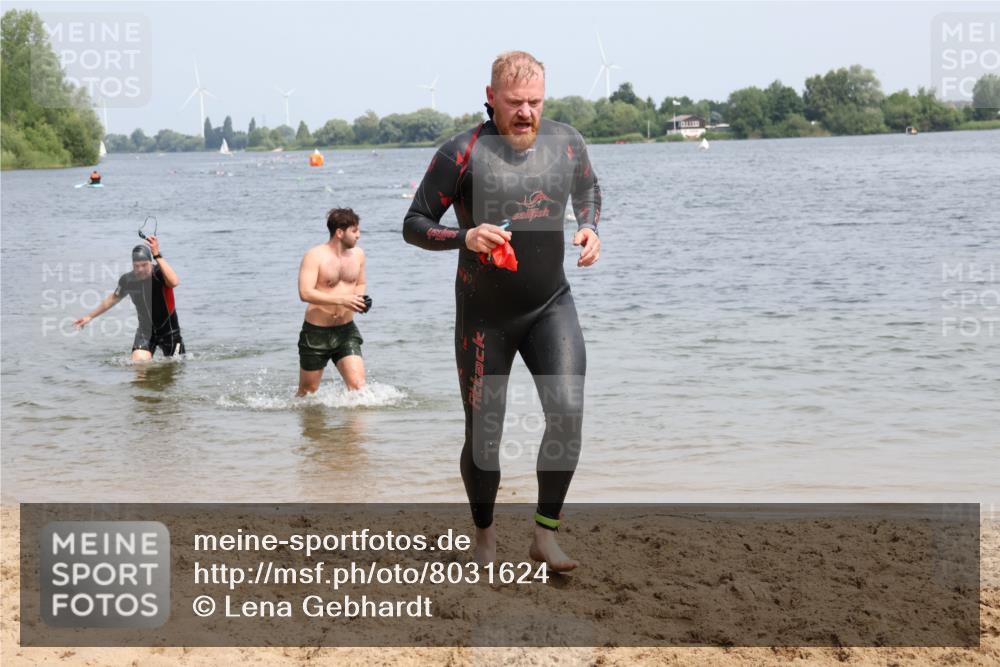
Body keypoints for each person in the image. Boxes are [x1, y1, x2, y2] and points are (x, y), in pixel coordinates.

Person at [403, 51, 601, 571]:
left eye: (535, 102)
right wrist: (463, 236)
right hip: (484, 316)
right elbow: (415, 222)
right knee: (485, 435)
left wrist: (589, 225)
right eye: (515, 103)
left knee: (567, 413)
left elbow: (588, 187)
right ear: (491, 98)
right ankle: (485, 536)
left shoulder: (566, 141)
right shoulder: (462, 152)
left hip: (549, 305)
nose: (526, 113)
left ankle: (545, 535)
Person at [74, 236, 185, 361]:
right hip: (145, 332)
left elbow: (174, 282)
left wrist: (157, 254)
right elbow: (112, 299)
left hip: (170, 332)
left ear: (151, 262)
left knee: (174, 368)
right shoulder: (128, 280)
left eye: (144, 265)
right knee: (138, 363)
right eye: (136, 266)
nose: (140, 269)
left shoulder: (160, 273)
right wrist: (89, 316)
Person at [296, 208, 369, 396]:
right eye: (354, 231)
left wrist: (360, 300)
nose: (358, 236)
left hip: (346, 330)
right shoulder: (314, 256)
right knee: (308, 392)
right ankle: (310, 425)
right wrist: (342, 299)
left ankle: (352, 426)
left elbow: (360, 283)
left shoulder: (359, 255)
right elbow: (305, 293)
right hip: (316, 333)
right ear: (339, 232)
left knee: (359, 388)